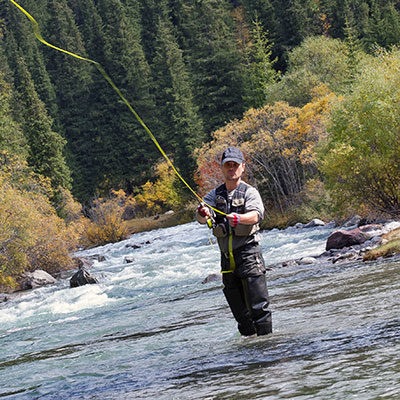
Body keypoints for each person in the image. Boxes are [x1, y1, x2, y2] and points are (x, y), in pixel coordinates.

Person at [196, 146, 272, 336]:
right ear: (222, 168)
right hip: (227, 259)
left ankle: (268, 349)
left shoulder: (250, 192)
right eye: (227, 165)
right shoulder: (214, 195)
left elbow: (256, 215)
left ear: (242, 167)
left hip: (249, 253)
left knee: (259, 309)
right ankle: (249, 352)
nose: (231, 168)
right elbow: (200, 218)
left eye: (235, 165)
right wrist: (202, 212)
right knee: (240, 314)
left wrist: (239, 219)